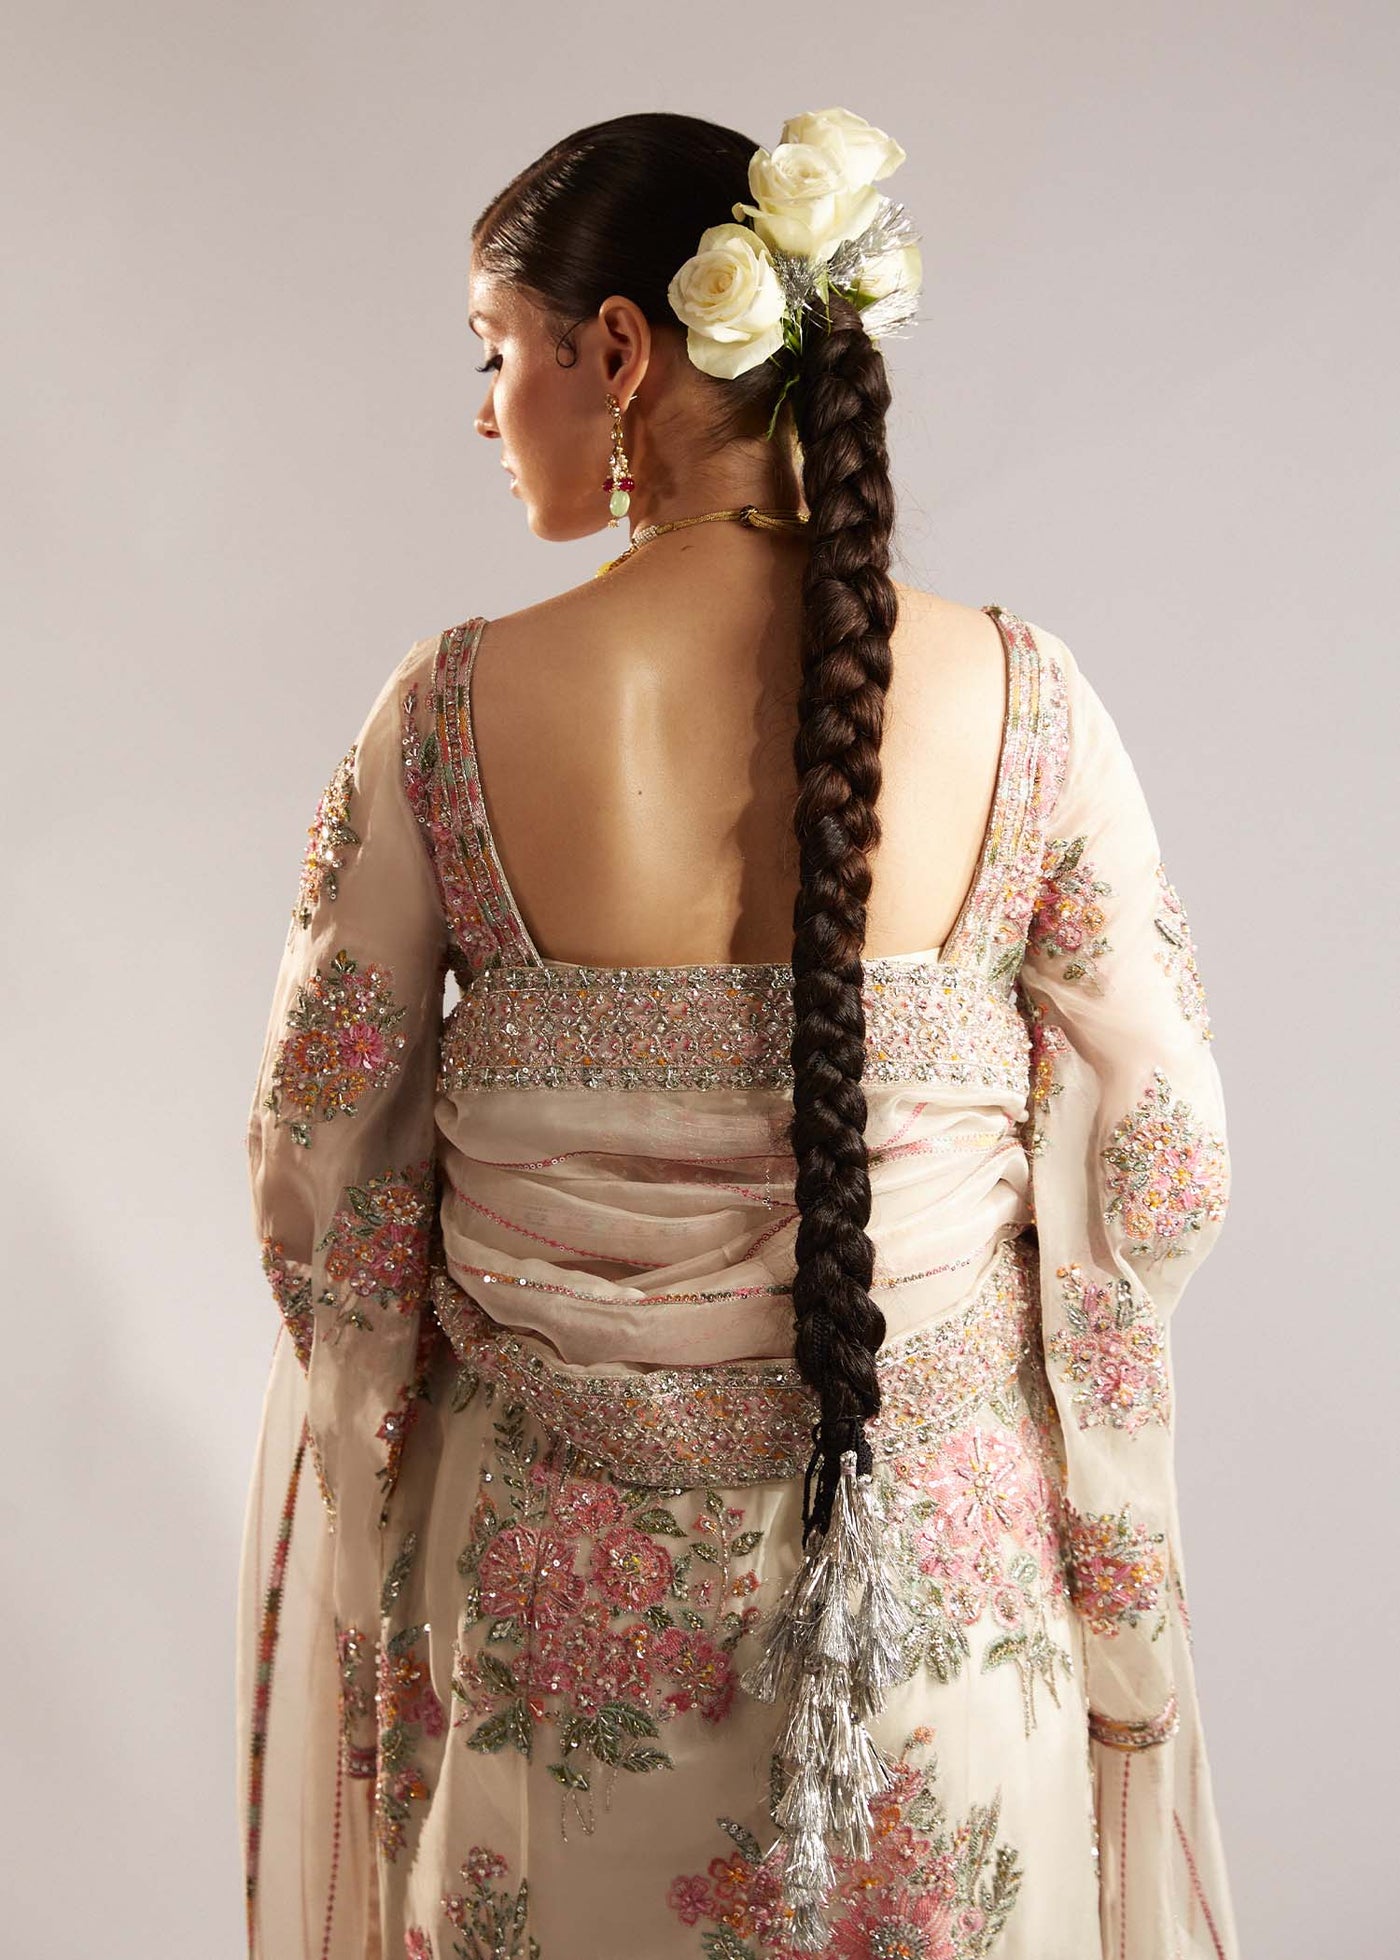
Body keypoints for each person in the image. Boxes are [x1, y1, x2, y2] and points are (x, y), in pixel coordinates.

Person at [235, 106, 1241, 1960]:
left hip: (550, 1621)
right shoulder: (1027, 703)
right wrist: (1103, 1528)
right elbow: (1156, 1166)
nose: (483, 411)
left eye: (495, 350)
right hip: (938, 1601)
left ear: (618, 350)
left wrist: (380, 1489)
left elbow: (326, 1178)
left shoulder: (451, 711)